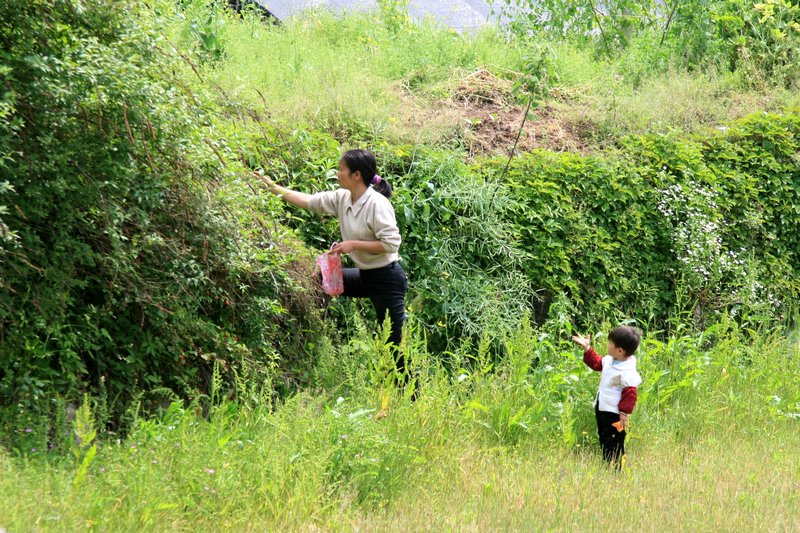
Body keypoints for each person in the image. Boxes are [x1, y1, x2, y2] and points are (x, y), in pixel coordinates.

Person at [257, 149, 410, 383]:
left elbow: (391, 244)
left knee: (395, 346)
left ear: (356, 175)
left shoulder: (377, 204)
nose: (337, 173)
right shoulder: (342, 197)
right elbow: (309, 202)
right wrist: (273, 188)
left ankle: (411, 398)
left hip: (387, 279)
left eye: (341, 169)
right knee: (317, 280)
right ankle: (314, 335)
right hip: (365, 275)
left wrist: (352, 244)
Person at [572, 326, 642, 467]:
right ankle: (607, 462)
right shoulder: (610, 361)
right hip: (602, 408)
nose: (607, 345)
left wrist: (624, 413)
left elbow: (630, 395)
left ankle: (615, 467)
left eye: (610, 343)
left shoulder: (627, 372)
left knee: (615, 440)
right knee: (604, 437)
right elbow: (596, 363)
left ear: (620, 350)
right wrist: (587, 349)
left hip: (615, 414)